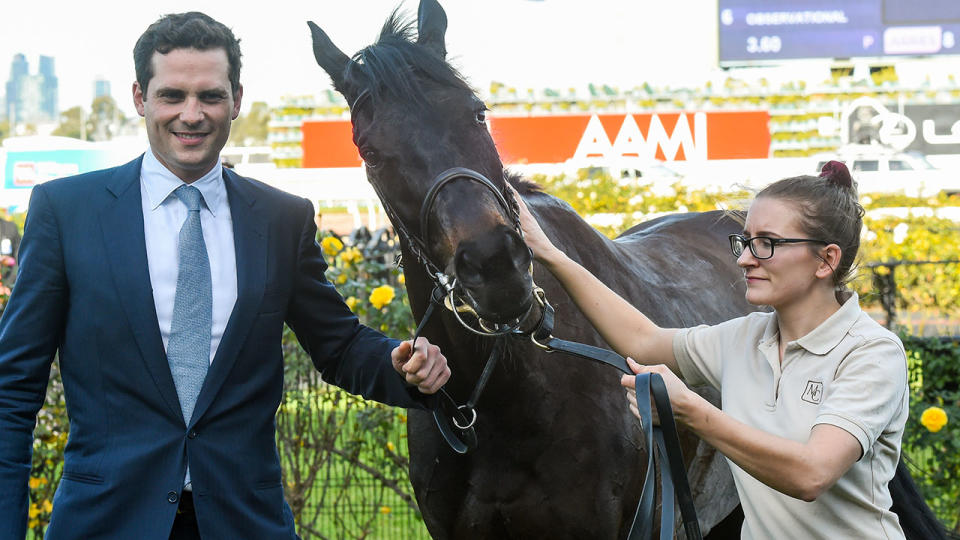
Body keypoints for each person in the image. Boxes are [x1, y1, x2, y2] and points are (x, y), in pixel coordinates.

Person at [0, 12, 450, 540]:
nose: (191, 115)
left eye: (210, 96)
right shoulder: (66, 211)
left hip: (244, 522)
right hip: (104, 522)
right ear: (140, 98)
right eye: (172, 95)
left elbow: (340, 347)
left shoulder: (282, 219)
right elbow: (13, 390)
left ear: (237, 100)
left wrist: (403, 366)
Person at [510, 161, 908, 539]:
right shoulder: (743, 338)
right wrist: (550, 253)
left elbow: (811, 475)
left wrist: (692, 411)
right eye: (746, 241)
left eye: (766, 244)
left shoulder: (872, 352)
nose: (745, 259)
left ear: (826, 260)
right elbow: (644, 341)